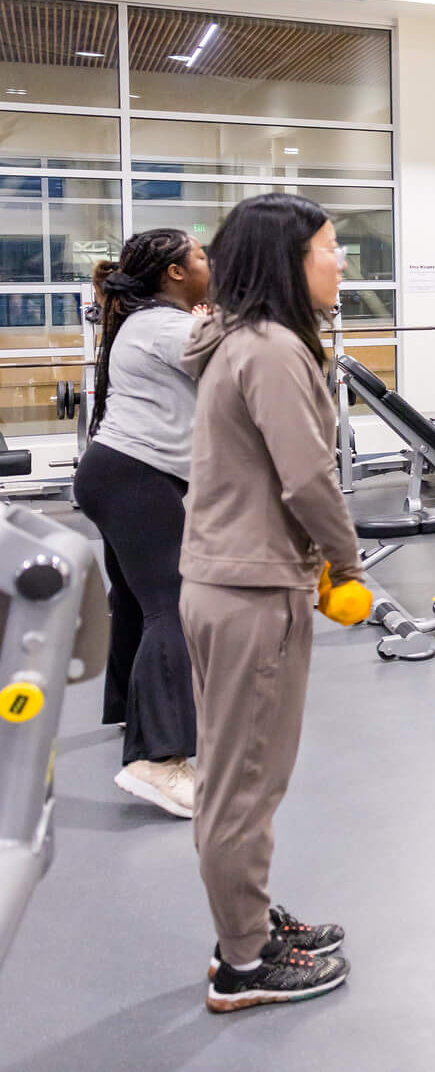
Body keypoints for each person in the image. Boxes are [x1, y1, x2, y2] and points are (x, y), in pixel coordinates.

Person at [181, 193, 359, 1011]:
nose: (340, 261)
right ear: (292, 262)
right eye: (330, 248)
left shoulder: (237, 340)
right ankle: (244, 962)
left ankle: (244, 920)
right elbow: (309, 479)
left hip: (229, 580)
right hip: (251, 592)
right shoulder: (275, 349)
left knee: (238, 774)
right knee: (244, 782)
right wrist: (344, 561)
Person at [71, 229, 209, 818]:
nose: (211, 263)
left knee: (133, 598)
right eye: (201, 256)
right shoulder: (164, 326)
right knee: (172, 605)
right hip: (134, 476)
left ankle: (131, 708)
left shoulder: (154, 321)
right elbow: (244, 365)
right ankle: (161, 759)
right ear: (174, 273)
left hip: (116, 473)